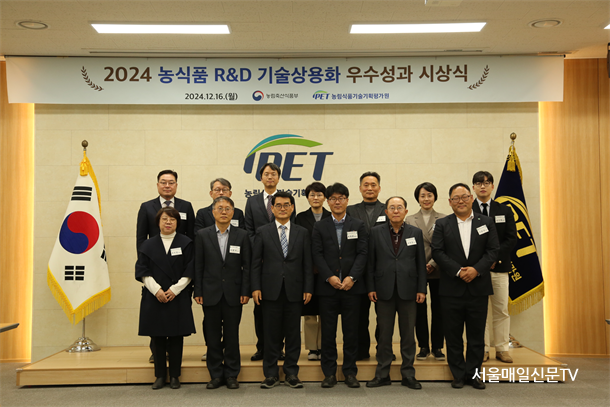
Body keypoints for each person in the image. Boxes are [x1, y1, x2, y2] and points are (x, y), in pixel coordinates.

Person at [431, 183, 499, 390]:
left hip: (478, 287)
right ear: (450, 202)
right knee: (453, 335)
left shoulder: (486, 222)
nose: (460, 201)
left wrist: (476, 270)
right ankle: (458, 375)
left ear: (471, 198)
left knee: (476, 335)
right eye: (456, 198)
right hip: (451, 288)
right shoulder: (442, 224)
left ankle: (474, 374)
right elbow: (437, 252)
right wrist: (458, 271)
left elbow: (493, 250)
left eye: (464, 197)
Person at [251, 191, 313, 389]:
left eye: (287, 205)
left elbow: (307, 263)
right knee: (271, 334)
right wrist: (255, 287)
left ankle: (291, 373)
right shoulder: (262, 231)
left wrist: (308, 287)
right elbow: (255, 263)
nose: (283, 208)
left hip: (295, 290)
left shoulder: (302, 232)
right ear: (272, 208)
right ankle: (270, 374)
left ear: (292, 208)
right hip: (270, 290)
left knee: (293, 334)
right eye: (278, 205)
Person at [366, 197, 427, 389]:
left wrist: (421, 289)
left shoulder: (415, 232)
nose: (395, 211)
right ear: (386, 212)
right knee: (384, 335)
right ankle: (382, 374)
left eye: (399, 207)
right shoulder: (375, 232)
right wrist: (371, 287)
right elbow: (370, 263)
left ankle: (408, 374)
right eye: (391, 208)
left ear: (406, 211)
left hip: (409, 290)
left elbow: (420, 263)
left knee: (408, 335)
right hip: (383, 290)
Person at [136, 169, 195, 363]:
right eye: (163, 182)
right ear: (157, 185)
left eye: (171, 182)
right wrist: (146, 268)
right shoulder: (146, 207)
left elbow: (191, 238)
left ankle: (174, 354)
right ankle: (157, 352)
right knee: (156, 314)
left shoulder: (186, 206)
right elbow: (141, 239)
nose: (167, 186)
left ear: (176, 185)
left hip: (179, 270)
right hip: (155, 269)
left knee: (177, 315)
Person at [312, 183, 367, 389]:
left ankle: (350, 372)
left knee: (351, 332)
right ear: (328, 202)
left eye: (341, 198)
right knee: (328, 333)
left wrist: (352, 277)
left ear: (347, 200)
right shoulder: (320, 226)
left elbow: (363, 254)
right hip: (328, 289)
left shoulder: (358, 225)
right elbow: (317, 254)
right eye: (333, 198)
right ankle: (329, 373)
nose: (337, 202)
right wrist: (329, 277)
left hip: (352, 288)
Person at [136, 207, 196, 390]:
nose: (168, 222)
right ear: (158, 222)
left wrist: (174, 290)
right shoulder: (148, 244)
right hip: (155, 296)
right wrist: (157, 290)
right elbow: (142, 270)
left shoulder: (186, 243)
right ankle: (160, 375)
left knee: (177, 337)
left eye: (172, 219)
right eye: (164, 219)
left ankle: (175, 375)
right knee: (157, 338)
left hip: (177, 296)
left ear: (177, 223)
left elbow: (190, 270)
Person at [194, 196, 251, 390]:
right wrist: (198, 290)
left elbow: (247, 266)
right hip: (209, 292)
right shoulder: (202, 235)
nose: (224, 212)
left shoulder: (242, 235)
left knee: (232, 335)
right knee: (212, 336)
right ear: (213, 212)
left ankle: (232, 374)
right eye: (220, 208)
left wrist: (245, 290)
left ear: (233, 212)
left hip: (234, 293)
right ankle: (216, 374)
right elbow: (198, 265)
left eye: (227, 208)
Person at [244, 163, 293, 361]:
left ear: (278, 177)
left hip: (282, 262)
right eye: (266, 174)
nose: (270, 177)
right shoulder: (252, 201)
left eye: (273, 174)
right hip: (261, 262)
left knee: (281, 310)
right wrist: (261, 250)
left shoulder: (286, 200)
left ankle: (278, 348)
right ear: (261, 178)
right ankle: (262, 347)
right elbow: (249, 230)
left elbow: (291, 227)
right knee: (261, 309)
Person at [471, 171, 518, 364]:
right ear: (473, 187)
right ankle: (482, 349)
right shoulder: (467, 210)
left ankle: (502, 349)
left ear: (492, 186)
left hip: (499, 267)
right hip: (476, 270)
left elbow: (511, 239)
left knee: (501, 310)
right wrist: (482, 262)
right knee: (479, 311)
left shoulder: (504, 210)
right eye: (479, 183)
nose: (482, 186)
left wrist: (493, 257)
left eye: (486, 183)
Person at [346, 171, 386, 360]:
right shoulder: (350, 210)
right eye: (366, 185)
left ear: (379, 188)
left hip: (382, 269)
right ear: (360, 188)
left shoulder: (388, 209)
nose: (369, 188)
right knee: (359, 314)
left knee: (383, 314)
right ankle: (361, 350)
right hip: (358, 270)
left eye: (373, 185)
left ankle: (383, 349)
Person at [406, 182, 447, 361]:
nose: (426, 199)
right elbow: (407, 247)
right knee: (419, 310)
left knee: (439, 309)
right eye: (422, 195)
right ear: (418, 198)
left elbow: (446, 245)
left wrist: (433, 263)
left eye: (429, 195)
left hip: (439, 269)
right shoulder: (409, 219)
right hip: (417, 271)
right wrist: (421, 265)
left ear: (435, 197)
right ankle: (423, 346)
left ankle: (437, 347)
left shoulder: (444, 218)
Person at [295, 182, 331, 361]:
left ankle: (324, 346)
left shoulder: (332, 216)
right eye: (312, 195)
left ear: (324, 197)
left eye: (319, 194)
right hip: (307, 271)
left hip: (328, 272)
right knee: (309, 313)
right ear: (307, 197)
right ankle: (312, 348)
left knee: (325, 312)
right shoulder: (300, 218)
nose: (315, 198)